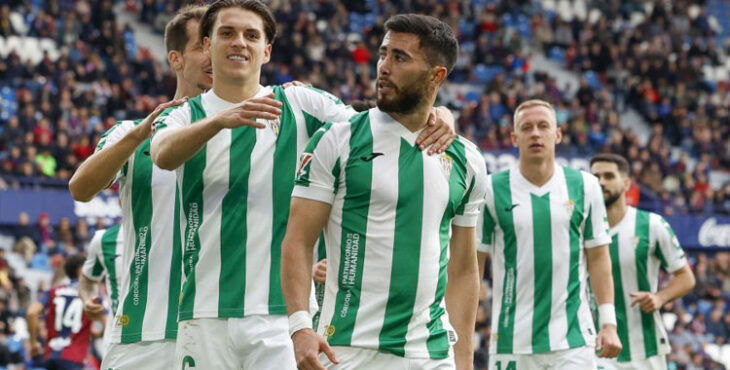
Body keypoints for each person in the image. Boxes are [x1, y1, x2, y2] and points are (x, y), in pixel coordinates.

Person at [150, 1, 457, 368]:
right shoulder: (184, 115)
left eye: (251, 35)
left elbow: (378, 125)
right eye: (226, 33)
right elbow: (163, 154)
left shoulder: (299, 102)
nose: (239, 43)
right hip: (203, 310)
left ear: (266, 50)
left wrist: (439, 111)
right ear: (206, 45)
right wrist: (220, 121)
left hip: (284, 318)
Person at [281, 14, 487, 370]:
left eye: (400, 57)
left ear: (437, 75)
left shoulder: (466, 159)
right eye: (383, 54)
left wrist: (464, 361)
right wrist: (300, 327)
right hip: (345, 349)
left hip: (430, 354)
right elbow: (297, 241)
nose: (384, 67)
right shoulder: (338, 139)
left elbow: (464, 269)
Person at [67, 5, 209, 368]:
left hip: (217, 331)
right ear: (176, 58)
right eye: (201, 45)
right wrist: (136, 136)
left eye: (217, 42)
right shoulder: (132, 134)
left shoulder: (247, 132)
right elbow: (80, 188)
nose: (214, 55)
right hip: (144, 335)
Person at [476, 99, 622, 369]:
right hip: (512, 342)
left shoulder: (586, 186)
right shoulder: (491, 188)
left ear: (557, 134)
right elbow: (472, 265)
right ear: (514, 137)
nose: (535, 133)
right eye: (526, 127)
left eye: (543, 126)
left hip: (574, 342)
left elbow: (600, 258)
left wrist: (609, 323)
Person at [590, 153, 695, 370]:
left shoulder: (652, 225)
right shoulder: (579, 230)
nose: (601, 182)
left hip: (643, 350)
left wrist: (660, 297)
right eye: (596, 177)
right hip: (593, 350)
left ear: (626, 183)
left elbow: (686, 277)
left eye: (609, 176)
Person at [26, 254, 93, 370]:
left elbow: (31, 313)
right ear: (81, 270)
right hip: (74, 357)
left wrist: (33, 344)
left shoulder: (53, 291)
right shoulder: (90, 293)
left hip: (51, 356)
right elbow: (104, 322)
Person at [79, 223, 124, 354]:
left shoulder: (170, 231)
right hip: (116, 339)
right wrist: (89, 300)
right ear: (120, 201)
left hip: (164, 338)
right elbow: (87, 282)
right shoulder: (103, 238)